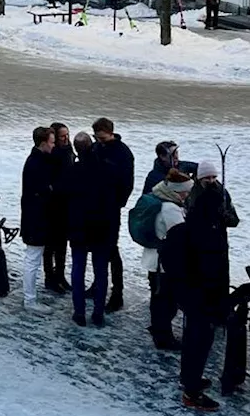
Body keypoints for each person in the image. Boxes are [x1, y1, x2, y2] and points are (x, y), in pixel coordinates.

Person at [162, 159, 238, 411]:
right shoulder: (205, 236)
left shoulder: (190, 229)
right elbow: (209, 269)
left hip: (194, 295)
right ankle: (191, 390)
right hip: (201, 296)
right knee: (199, 340)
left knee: (195, 338)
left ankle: (189, 379)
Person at [67, 131, 124, 326]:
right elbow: (115, 197)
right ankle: (98, 312)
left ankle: (79, 312)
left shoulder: (72, 171)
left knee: (78, 268)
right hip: (102, 227)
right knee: (101, 271)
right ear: (92, 146)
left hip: (79, 226)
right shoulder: (107, 169)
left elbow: (65, 197)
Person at [141, 169, 194, 350]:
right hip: (163, 264)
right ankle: (163, 337)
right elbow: (180, 236)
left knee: (159, 299)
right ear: (177, 191)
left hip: (154, 260)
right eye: (186, 191)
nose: (188, 195)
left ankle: (159, 330)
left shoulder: (162, 199)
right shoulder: (170, 209)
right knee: (166, 301)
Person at [92, 117, 135, 312]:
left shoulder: (123, 152)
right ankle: (97, 284)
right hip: (95, 207)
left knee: (111, 249)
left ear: (110, 133)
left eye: (101, 137)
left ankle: (117, 293)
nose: (99, 141)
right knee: (97, 248)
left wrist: (118, 202)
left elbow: (127, 182)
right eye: (96, 137)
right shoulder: (97, 148)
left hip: (111, 208)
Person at [20, 126, 58, 313]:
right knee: (33, 259)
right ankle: (29, 299)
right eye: (52, 142)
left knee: (33, 258)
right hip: (36, 219)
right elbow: (44, 191)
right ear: (43, 143)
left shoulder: (38, 160)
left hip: (35, 217)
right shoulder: (37, 163)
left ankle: (30, 297)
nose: (54, 145)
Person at [43, 122, 73, 294]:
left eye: (67, 135)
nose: (66, 138)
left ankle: (60, 275)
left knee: (62, 244)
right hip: (52, 206)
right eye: (62, 136)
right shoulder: (51, 155)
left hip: (65, 205)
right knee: (50, 245)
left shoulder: (69, 151)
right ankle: (49, 277)